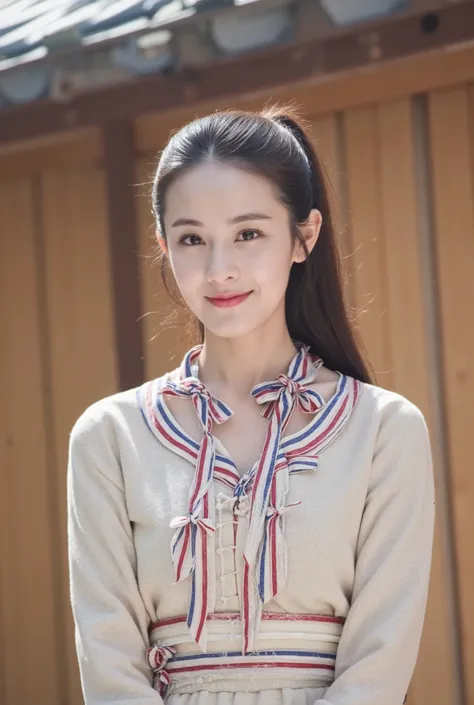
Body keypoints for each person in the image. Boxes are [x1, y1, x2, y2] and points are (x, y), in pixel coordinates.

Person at [67, 106, 436, 705]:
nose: (219, 270)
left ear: (304, 236)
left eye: (248, 233)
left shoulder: (384, 432)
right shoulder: (109, 437)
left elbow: (380, 661)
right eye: (192, 239)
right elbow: (109, 663)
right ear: (164, 246)